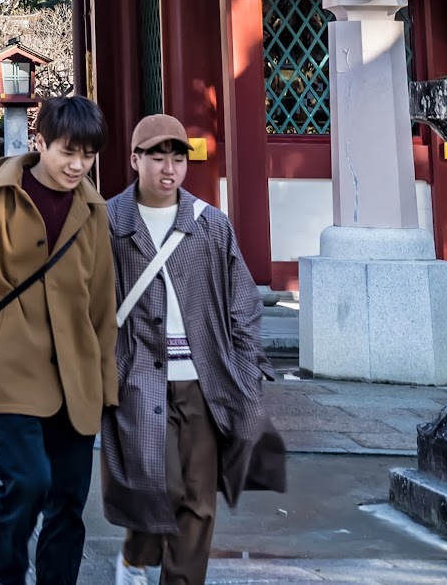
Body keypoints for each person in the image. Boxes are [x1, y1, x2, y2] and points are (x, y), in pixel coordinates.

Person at [0, 95, 117, 585]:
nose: (78, 165)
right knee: (29, 480)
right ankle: (6, 572)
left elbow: (101, 306)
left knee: (70, 498)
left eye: (88, 155)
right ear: (40, 143)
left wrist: (106, 382)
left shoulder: (93, 211)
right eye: (68, 152)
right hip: (9, 361)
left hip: (76, 369)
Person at [103, 115, 278, 585]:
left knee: (198, 499)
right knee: (156, 488)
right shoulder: (109, 222)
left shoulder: (210, 224)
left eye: (177, 157)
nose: (168, 167)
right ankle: (136, 557)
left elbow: (243, 301)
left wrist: (245, 369)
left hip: (202, 380)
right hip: (137, 376)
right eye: (157, 156)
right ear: (135, 159)